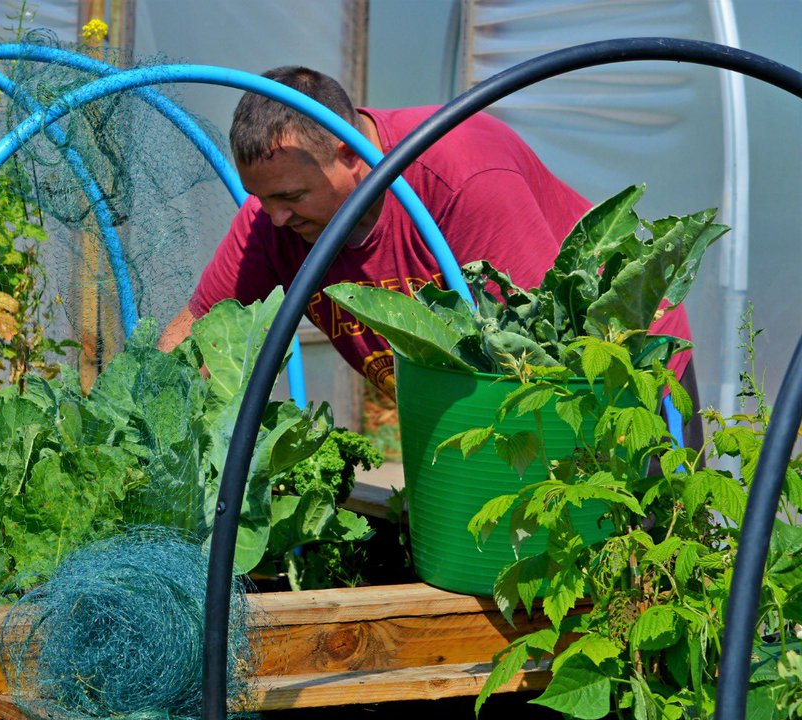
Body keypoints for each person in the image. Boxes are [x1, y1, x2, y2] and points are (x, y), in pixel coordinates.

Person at [157, 65, 699, 442]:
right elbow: (204, 326)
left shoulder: (461, 176)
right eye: (262, 199)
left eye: (291, 197)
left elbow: (542, 351)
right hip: (469, 411)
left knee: (644, 564)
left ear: (349, 155)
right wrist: (148, 420)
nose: (274, 218)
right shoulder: (274, 219)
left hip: (620, 376)